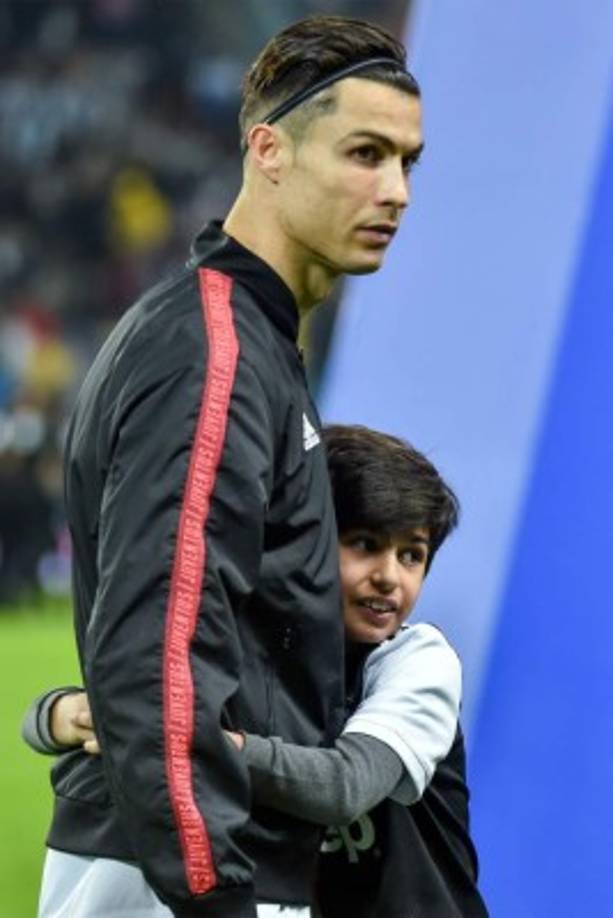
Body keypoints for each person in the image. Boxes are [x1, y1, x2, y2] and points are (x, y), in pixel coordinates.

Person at [31, 14, 424, 918]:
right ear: (269, 150)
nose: (395, 190)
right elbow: (160, 655)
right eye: (364, 153)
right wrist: (217, 893)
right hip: (180, 873)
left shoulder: (243, 341)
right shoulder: (216, 354)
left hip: (184, 858)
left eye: (408, 161)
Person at [25, 425, 488, 916]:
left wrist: (187, 741)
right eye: (365, 543)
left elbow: (344, 786)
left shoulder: (420, 662)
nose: (389, 576)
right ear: (302, 541)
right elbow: (112, 706)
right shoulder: (263, 650)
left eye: (411, 555)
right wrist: (61, 714)